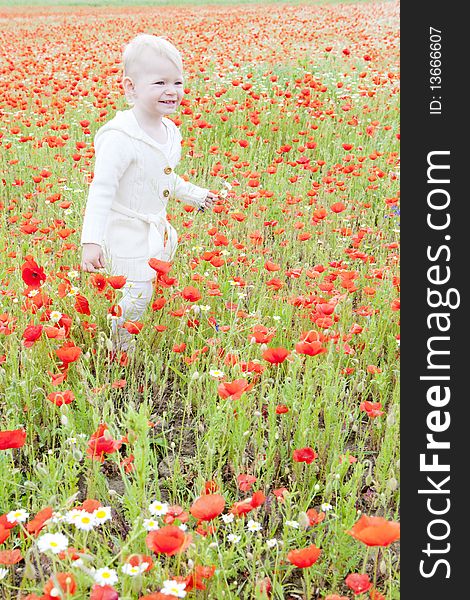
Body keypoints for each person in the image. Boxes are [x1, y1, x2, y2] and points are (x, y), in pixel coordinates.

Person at [80, 34, 217, 352]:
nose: (172, 91)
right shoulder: (119, 137)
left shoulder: (170, 130)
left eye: (178, 82)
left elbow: (164, 180)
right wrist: (91, 241)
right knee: (137, 294)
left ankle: (126, 331)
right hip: (126, 231)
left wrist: (195, 195)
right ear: (130, 88)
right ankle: (117, 348)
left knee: (144, 289)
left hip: (155, 230)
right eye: (159, 83)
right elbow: (101, 191)